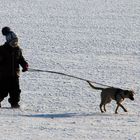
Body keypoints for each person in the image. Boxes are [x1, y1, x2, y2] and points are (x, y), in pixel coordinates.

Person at [0, 27, 28, 108]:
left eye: (16, 42)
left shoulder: (17, 50)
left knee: (15, 91)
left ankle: (14, 103)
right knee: (2, 91)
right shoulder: (2, 49)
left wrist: (25, 65)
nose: (15, 44)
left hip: (15, 75)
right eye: (13, 43)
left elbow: (21, 59)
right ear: (8, 41)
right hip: (4, 76)